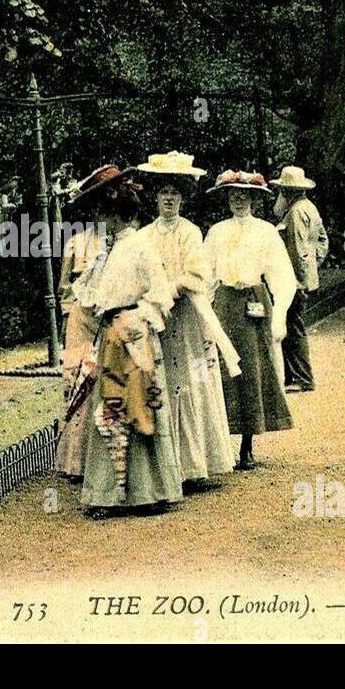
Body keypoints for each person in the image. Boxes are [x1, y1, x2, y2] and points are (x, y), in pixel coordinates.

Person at [68, 166, 185, 515]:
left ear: (117, 213)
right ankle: (107, 493)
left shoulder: (140, 247)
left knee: (141, 406)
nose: (99, 219)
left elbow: (161, 294)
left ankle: (150, 492)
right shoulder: (108, 250)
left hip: (135, 335)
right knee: (111, 411)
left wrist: (137, 319)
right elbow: (91, 294)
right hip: (112, 336)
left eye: (103, 213)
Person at [136, 151, 239, 482]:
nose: (169, 198)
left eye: (175, 192)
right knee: (160, 382)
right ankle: (164, 467)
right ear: (156, 196)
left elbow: (197, 274)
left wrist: (169, 288)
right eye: (164, 192)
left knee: (192, 382)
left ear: (183, 197)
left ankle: (193, 465)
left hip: (185, 317)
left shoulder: (191, 232)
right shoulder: (143, 236)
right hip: (156, 318)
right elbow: (137, 275)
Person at [203, 170, 297, 470]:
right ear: (227, 199)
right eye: (234, 195)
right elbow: (205, 276)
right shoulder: (216, 231)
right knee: (224, 369)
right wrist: (203, 310)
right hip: (226, 304)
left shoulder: (266, 231)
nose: (239, 200)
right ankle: (221, 445)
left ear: (255, 199)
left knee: (253, 369)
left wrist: (279, 314)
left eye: (245, 195)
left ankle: (247, 443)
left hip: (255, 304)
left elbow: (283, 276)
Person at [55, 166, 112, 479]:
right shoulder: (77, 242)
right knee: (79, 378)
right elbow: (63, 286)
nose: (101, 212)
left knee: (107, 379)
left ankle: (106, 459)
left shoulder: (121, 242)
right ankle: (77, 461)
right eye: (96, 206)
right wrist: (71, 312)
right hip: (82, 317)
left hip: (110, 316)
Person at [270, 165, 329, 392]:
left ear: (288, 191)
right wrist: (314, 267)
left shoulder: (295, 212)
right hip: (302, 277)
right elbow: (322, 241)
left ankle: (303, 378)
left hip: (293, 280)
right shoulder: (309, 208)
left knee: (293, 329)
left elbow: (297, 249)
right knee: (292, 327)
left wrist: (296, 280)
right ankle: (293, 376)